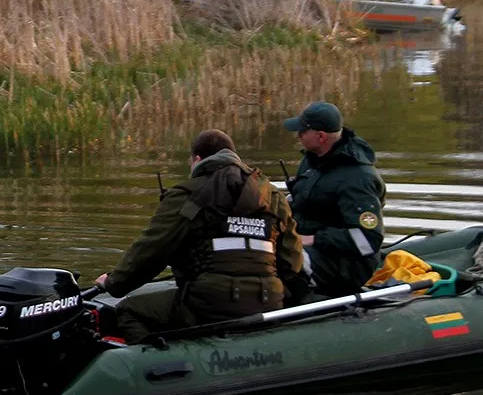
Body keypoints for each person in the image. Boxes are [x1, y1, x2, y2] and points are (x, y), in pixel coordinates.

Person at [93, 129, 305, 341]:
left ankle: (158, 364)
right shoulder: (273, 196)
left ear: (196, 159)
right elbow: (292, 262)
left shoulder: (187, 195)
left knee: (129, 310)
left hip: (209, 303)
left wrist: (114, 283)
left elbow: (150, 251)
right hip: (268, 300)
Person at [283, 101, 387, 296]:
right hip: (311, 247)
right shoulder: (312, 161)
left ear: (321, 136)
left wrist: (312, 239)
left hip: (346, 264)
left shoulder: (357, 179)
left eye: (303, 132)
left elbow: (367, 239)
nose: (298, 136)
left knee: (283, 263)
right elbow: (305, 201)